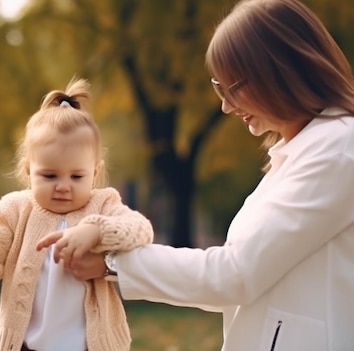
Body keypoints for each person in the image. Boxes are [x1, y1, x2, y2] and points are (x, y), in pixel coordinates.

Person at [38, 0, 354, 350]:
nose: (226, 105)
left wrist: (112, 263)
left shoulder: (339, 148)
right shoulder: (301, 153)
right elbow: (235, 282)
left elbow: (235, 275)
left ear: (279, 70)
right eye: (221, 87)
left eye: (234, 87)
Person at [0, 78, 154, 351]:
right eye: (49, 175)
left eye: (77, 176)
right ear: (28, 171)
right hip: (26, 345)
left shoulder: (103, 204)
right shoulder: (15, 210)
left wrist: (97, 230)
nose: (63, 186)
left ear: (95, 172)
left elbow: (140, 228)